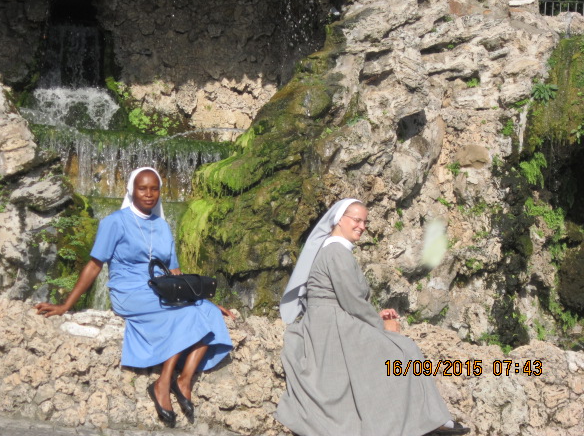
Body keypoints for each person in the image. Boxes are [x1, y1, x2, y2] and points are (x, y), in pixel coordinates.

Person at [35, 167, 233, 428]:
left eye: (154, 189)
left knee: (207, 312)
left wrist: (203, 299)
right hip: (129, 292)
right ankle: (162, 383)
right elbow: (94, 265)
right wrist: (66, 305)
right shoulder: (115, 222)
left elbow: (174, 272)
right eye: (142, 188)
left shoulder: (163, 226)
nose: (149, 194)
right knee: (185, 314)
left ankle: (184, 380)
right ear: (131, 190)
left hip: (162, 289)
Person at [275, 198, 470, 436]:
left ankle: (429, 418)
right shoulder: (336, 252)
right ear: (339, 219)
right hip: (331, 326)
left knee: (402, 349)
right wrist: (382, 326)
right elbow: (352, 301)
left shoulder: (335, 250)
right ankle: (427, 419)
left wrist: (376, 316)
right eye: (356, 220)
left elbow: (346, 298)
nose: (362, 226)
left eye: (365, 222)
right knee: (403, 347)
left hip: (335, 318)